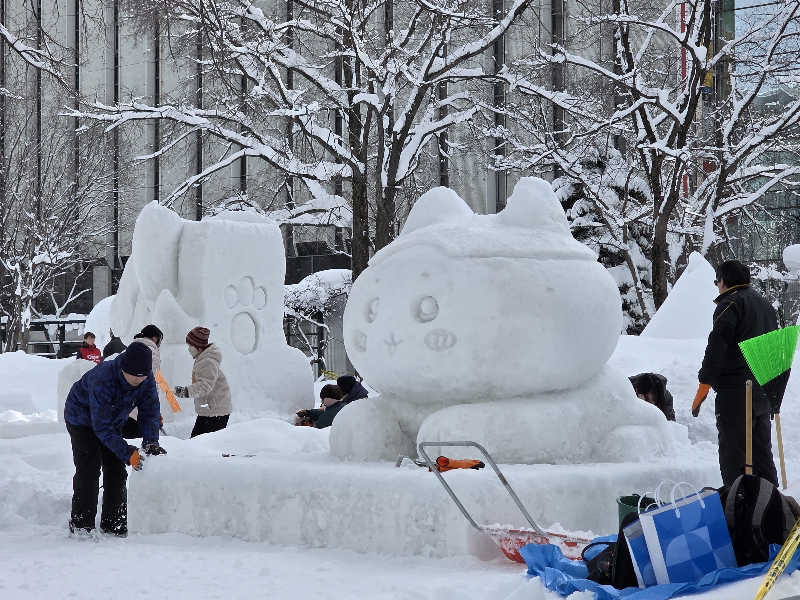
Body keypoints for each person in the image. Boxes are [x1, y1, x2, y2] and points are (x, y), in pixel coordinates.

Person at [63, 342, 166, 537]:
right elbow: (101, 427)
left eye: (142, 376)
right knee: (89, 468)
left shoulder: (146, 379)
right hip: (81, 419)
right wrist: (128, 452)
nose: (138, 381)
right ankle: (81, 525)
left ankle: (114, 523)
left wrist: (151, 441)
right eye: (133, 376)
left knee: (116, 469)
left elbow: (150, 412)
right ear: (123, 368)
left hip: (113, 418)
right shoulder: (103, 378)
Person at [693, 260, 779, 487]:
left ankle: (738, 505)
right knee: (761, 453)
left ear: (724, 280)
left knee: (735, 453)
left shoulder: (730, 304)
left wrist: (705, 383)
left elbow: (718, 344)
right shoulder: (766, 306)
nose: (716, 286)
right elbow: (775, 348)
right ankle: (773, 508)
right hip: (763, 390)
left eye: (716, 281)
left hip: (735, 392)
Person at [174, 327, 232, 438]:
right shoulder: (203, 359)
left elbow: (205, 386)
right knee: (198, 443)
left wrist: (185, 391)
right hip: (210, 410)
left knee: (201, 445)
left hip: (215, 412)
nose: (189, 349)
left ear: (199, 348)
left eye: (191, 346)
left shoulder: (208, 362)